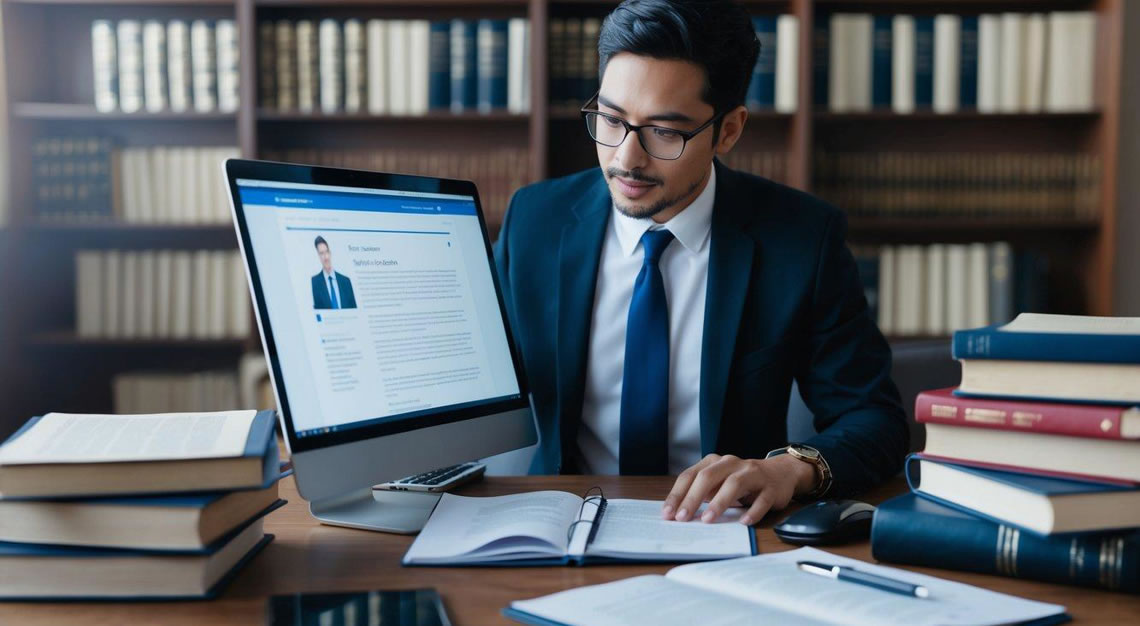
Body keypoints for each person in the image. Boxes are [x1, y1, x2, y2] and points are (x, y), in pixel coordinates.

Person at [494, 0, 908, 527]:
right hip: (558, 522)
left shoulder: (801, 238)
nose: (626, 158)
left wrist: (787, 470)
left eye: (665, 132)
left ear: (729, 131)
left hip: (722, 529)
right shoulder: (535, 220)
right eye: (612, 120)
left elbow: (873, 418)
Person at [311, 235, 357, 310]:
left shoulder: (346, 281)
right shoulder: (315, 282)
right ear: (318, 256)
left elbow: (355, 310)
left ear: (330, 253)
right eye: (322, 253)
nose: (326, 257)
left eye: (327, 252)